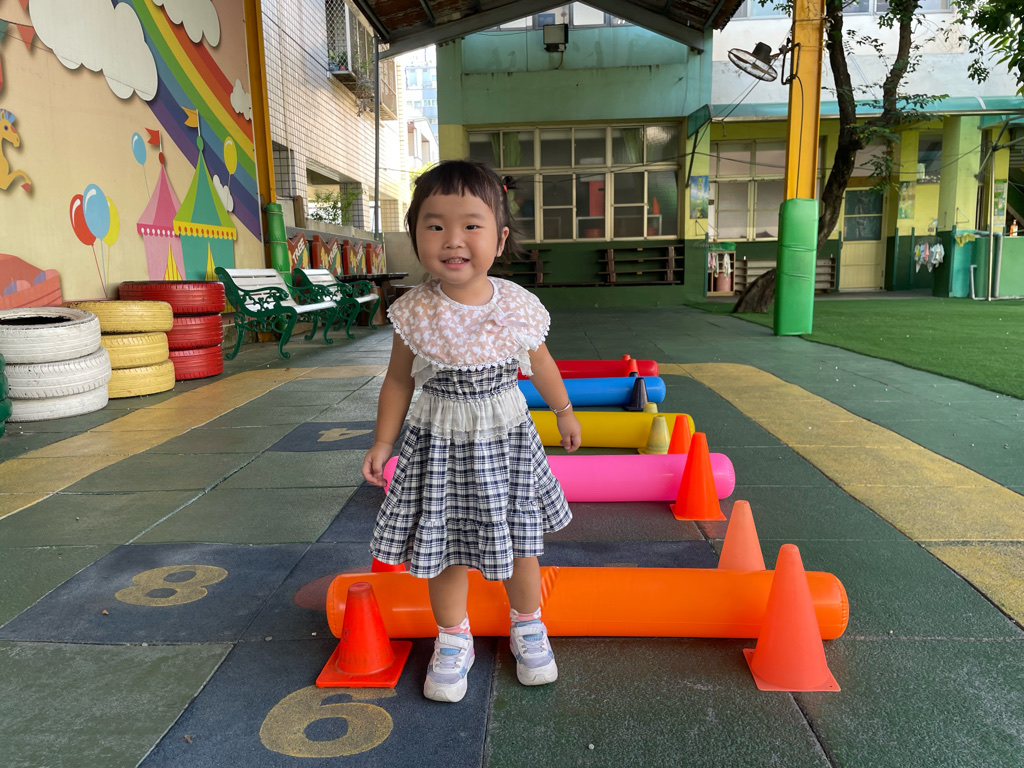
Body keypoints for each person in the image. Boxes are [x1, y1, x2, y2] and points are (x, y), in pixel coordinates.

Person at [362, 159, 581, 703]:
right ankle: (453, 636)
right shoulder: (414, 312)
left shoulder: (515, 305)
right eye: (435, 225)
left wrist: (564, 410)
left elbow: (542, 363)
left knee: (521, 539)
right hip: (439, 441)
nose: (452, 239)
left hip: (506, 439)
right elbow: (398, 380)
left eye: (471, 225)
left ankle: (528, 622)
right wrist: (384, 442)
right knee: (444, 545)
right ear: (416, 236)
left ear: (499, 238)